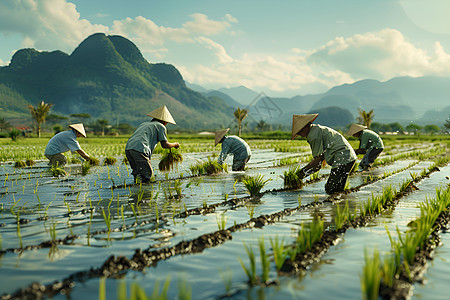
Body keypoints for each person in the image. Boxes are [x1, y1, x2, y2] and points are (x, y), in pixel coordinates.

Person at [291, 114, 356, 194]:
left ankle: (340, 204)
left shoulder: (314, 135)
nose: (300, 134)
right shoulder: (316, 130)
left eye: (300, 130)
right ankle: (342, 204)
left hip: (343, 158)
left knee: (331, 189)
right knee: (336, 189)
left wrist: (298, 175)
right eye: (298, 132)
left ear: (307, 125)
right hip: (348, 157)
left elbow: (316, 164)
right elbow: (319, 159)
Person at [125, 105, 180, 183]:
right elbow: (165, 145)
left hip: (129, 149)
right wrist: (175, 144)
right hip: (140, 149)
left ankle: (137, 192)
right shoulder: (160, 126)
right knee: (148, 175)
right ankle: (147, 194)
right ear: (164, 121)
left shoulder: (144, 124)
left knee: (138, 174)